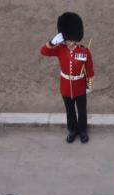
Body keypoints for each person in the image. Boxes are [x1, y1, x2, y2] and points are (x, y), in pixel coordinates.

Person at [42, 13, 92, 142]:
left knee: (81, 111)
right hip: (65, 87)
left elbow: (89, 69)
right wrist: (52, 42)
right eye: (65, 39)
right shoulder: (60, 49)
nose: (67, 42)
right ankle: (72, 130)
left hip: (80, 87)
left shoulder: (84, 51)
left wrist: (89, 85)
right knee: (69, 111)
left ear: (75, 38)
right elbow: (44, 51)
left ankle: (82, 130)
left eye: (69, 39)